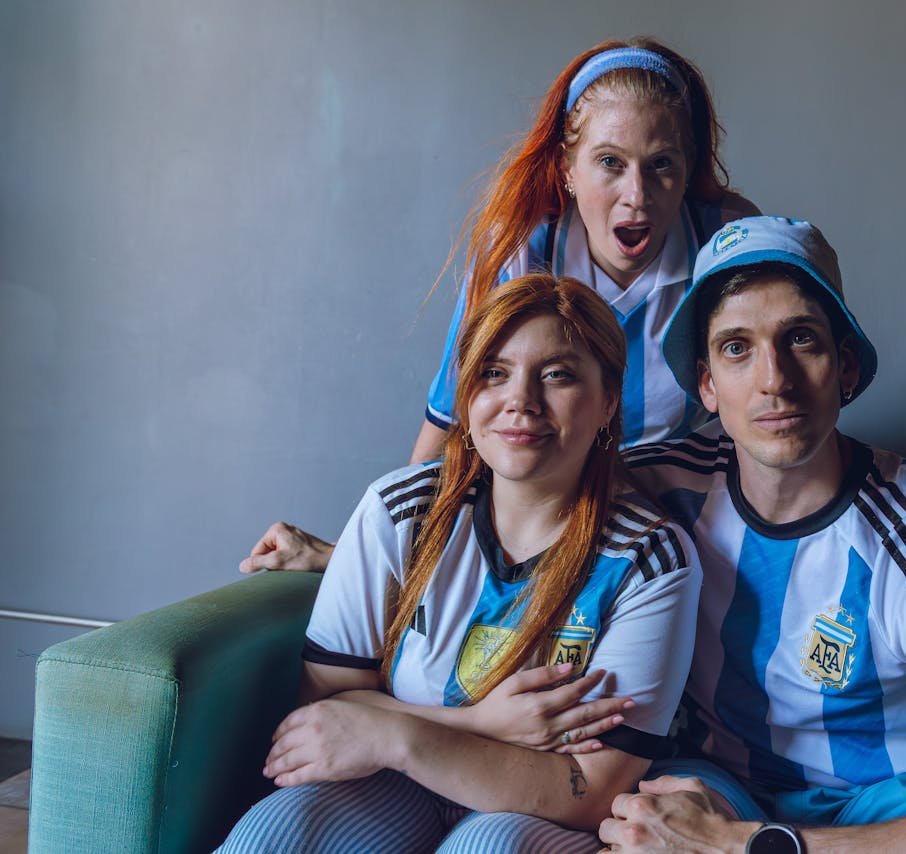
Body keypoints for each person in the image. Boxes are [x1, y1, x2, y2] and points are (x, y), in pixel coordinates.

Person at [445, 217, 906, 852]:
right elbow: (499, 482)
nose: (774, 380)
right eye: (737, 348)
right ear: (706, 384)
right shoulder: (652, 488)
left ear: (845, 367)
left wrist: (757, 847)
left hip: (885, 802)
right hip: (712, 784)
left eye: (801, 340)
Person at [218, 275, 701, 853]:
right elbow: (324, 710)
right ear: (468, 397)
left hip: (536, 814)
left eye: (557, 375)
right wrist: (478, 724)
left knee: (487, 846)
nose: (520, 400)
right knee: (277, 833)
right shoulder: (400, 510)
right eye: (494, 373)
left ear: (608, 401)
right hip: (397, 788)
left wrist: (398, 736)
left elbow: (594, 789)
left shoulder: (650, 559)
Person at [241, 38, 757, 575]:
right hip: (552, 527)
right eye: (610, 162)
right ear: (567, 169)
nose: (637, 194)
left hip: (693, 530)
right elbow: (453, 420)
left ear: (686, 169)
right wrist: (353, 555)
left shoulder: (729, 242)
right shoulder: (519, 252)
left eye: (661, 164)